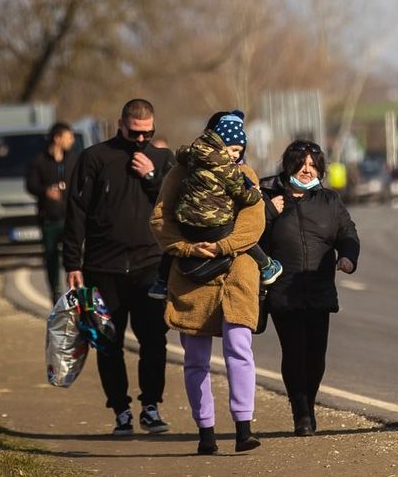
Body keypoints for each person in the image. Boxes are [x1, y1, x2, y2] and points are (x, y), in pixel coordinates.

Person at [150, 111, 269, 455]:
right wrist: (187, 247)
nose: (234, 154)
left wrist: (222, 246)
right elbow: (160, 218)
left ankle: (244, 428)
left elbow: (253, 220)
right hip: (191, 276)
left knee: (239, 348)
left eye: (238, 148)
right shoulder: (179, 174)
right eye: (229, 147)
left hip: (237, 273)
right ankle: (206, 432)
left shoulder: (245, 175)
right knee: (195, 358)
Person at [62, 99, 176, 436]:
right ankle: (121, 411)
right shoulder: (95, 158)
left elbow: (174, 204)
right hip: (102, 266)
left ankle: (151, 406)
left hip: (149, 265)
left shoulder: (162, 159)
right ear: (120, 125)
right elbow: (76, 212)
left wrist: (152, 177)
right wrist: (73, 262)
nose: (141, 140)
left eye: (148, 134)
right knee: (107, 343)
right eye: (134, 133)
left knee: (154, 341)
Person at [260, 140, 360, 437]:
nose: (306, 170)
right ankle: (300, 412)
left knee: (316, 354)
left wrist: (347, 257)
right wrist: (267, 211)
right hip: (282, 287)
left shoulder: (329, 200)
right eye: (301, 164)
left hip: (319, 287)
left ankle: (309, 404)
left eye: (313, 165)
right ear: (288, 165)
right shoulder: (269, 197)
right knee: (294, 352)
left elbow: (348, 233)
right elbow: (248, 234)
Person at [147, 112, 281, 301]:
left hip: (187, 226)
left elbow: (182, 154)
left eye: (238, 151)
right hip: (215, 230)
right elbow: (244, 201)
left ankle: (160, 281)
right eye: (233, 150)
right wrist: (256, 194)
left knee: (169, 252)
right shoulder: (229, 168)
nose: (235, 155)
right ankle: (266, 266)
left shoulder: (192, 157)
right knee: (243, 238)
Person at [26, 122, 77, 302]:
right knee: (51, 255)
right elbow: (30, 184)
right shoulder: (39, 160)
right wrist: (45, 191)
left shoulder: (73, 159)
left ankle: (77, 289)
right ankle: (55, 290)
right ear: (57, 138)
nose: (72, 140)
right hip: (49, 217)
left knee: (74, 254)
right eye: (68, 137)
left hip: (70, 217)